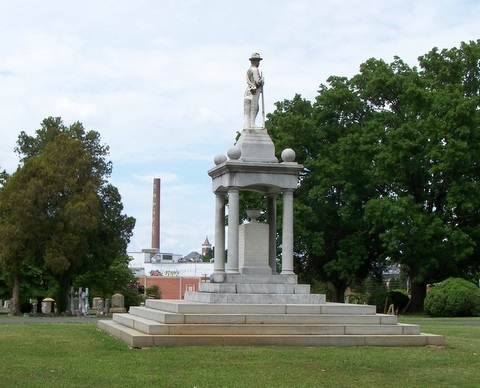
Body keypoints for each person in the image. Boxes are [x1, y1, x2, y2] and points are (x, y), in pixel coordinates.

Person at [244, 53, 264, 129]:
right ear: (255, 61)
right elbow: (257, 82)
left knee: (248, 109)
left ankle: (247, 125)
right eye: (258, 61)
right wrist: (262, 81)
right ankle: (252, 124)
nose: (259, 63)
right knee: (254, 107)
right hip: (254, 91)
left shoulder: (249, 70)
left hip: (248, 91)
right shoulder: (255, 70)